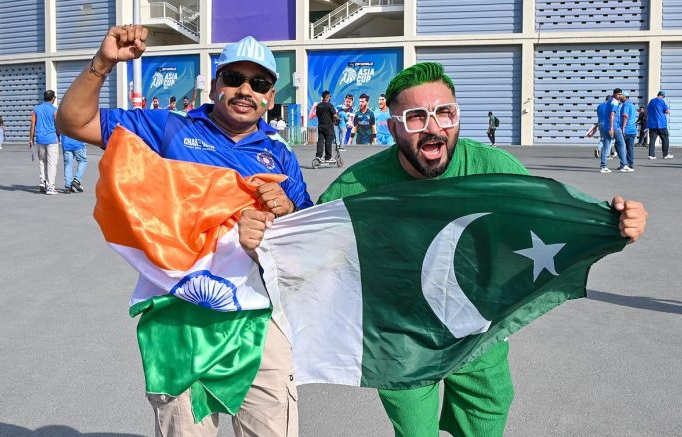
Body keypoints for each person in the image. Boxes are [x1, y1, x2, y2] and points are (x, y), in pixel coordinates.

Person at [238, 62, 648, 437]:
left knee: (486, 424)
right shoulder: (358, 188)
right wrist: (269, 236)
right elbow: (312, 254)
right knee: (415, 432)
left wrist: (613, 224)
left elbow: (550, 222)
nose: (433, 128)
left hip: (478, 333)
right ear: (394, 127)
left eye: (445, 114)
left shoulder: (494, 170)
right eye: (416, 117)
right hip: (401, 340)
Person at [56, 26, 311, 437]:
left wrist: (286, 211)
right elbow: (74, 121)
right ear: (214, 86)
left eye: (259, 83)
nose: (245, 90)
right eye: (234, 78)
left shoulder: (280, 153)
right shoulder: (167, 128)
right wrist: (103, 63)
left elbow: (308, 235)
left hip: (260, 322)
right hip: (180, 320)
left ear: (270, 97)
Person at [29, 90, 60, 194]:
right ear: (53, 98)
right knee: (52, 163)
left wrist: (31, 139)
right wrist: (58, 135)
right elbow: (57, 125)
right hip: (51, 139)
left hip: (40, 139)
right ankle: (50, 187)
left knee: (42, 161)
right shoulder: (54, 110)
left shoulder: (36, 109)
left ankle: (43, 181)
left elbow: (32, 125)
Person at [600, 88, 629, 173]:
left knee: (606, 146)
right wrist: (612, 128)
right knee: (622, 144)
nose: (620, 96)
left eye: (621, 94)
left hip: (607, 126)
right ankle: (624, 165)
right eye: (618, 94)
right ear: (614, 94)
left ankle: (603, 166)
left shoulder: (610, 100)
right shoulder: (614, 102)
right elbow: (612, 114)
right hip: (614, 127)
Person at [647, 90, 672, 159]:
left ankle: (651, 155)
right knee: (665, 139)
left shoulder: (651, 101)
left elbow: (647, 110)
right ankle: (665, 154)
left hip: (652, 124)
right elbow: (666, 111)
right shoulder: (662, 101)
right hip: (661, 124)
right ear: (663, 96)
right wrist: (668, 112)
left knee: (652, 140)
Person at [315, 90, 338, 162]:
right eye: (330, 96)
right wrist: (338, 119)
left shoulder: (319, 105)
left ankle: (318, 156)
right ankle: (328, 157)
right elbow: (335, 115)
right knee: (328, 142)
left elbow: (317, 115)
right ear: (327, 97)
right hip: (329, 127)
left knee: (320, 141)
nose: (330, 97)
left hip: (321, 126)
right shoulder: (330, 105)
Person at [620, 92, 638, 170]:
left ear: (625, 97)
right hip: (633, 130)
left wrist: (623, 128)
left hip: (626, 129)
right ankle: (630, 163)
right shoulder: (632, 105)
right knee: (630, 147)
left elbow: (625, 116)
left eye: (621, 97)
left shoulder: (626, 105)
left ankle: (624, 164)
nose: (620, 98)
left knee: (620, 146)